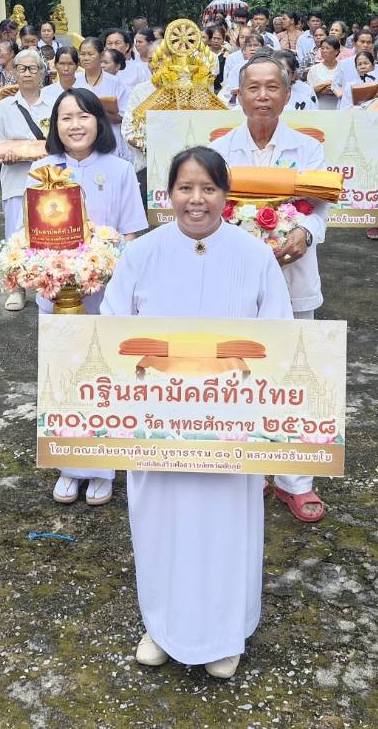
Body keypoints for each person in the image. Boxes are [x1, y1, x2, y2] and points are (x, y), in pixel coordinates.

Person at [103, 147, 290, 679]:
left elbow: (276, 336)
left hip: (230, 426)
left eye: (208, 188)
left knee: (224, 527)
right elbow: (115, 329)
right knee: (160, 524)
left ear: (225, 195)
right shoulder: (142, 253)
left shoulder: (253, 254)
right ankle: (162, 627)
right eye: (185, 188)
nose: (196, 200)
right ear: (168, 195)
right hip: (157, 426)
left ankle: (224, 633)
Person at [211, 56, 330, 524]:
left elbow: (320, 207)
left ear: (287, 93)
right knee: (240, 369)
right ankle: (249, 468)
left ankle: (295, 481)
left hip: (294, 271)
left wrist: (305, 232)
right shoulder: (219, 149)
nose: (262, 96)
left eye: (272, 87)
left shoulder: (307, 148)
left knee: (293, 374)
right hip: (235, 277)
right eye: (253, 88)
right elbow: (208, 204)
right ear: (238, 95)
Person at [32, 89, 146, 506]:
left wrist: (111, 271)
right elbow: (30, 234)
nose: (74, 125)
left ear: (98, 121)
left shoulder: (118, 169)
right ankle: (68, 465)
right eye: (65, 118)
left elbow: (132, 232)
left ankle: (102, 468)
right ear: (55, 126)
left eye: (82, 116)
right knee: (62, 376)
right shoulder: (43, 169)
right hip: (56, 291)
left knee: (104, 378)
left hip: (107, 292)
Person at [0, 48, 56, 311]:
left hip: (49, 179)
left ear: (42, 73)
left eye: (33, 68)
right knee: (15, 236)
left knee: (50, 234)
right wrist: (8, 153)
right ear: (14, 72)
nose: (27, 73)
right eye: (22, 68)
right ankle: (16, 288)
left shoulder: (55, 102)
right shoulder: (5, 106)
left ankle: (50, 285)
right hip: (16, 179)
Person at [220, 30, 265, 107]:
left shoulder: (269, 67)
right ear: (244, 50)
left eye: (256, 45)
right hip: (239, 105)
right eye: (249, 46)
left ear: (263, 48)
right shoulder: (237, 68)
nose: (252, 48)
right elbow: (228, 90)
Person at [306, 37, 342, 110]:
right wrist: (323, 89)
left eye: (327, 48)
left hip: (339, 107)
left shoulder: (343, 68)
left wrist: (335, 90)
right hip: (320, 107)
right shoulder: (314, 69)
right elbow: (308, 91)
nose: (324, 51)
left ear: (336, 51)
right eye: (322, 48)